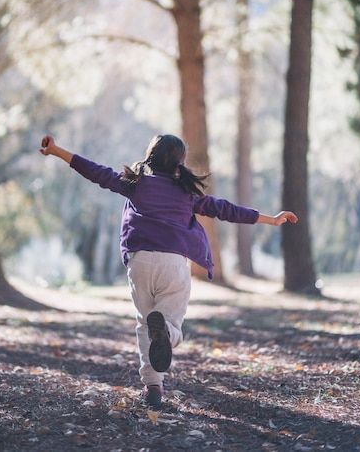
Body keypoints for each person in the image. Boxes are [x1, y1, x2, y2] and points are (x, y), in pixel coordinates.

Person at [39, 133, 298, 409]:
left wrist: (56, 150)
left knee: (144, 323)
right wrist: (270, 219)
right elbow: (226, 210)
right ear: (179, 163)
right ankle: (168, 332)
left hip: (140, 262)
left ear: (150, 157)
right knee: (169, 323)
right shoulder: (188, 193)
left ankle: (153, 386)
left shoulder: (135, 184)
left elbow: (96, 172)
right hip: (173, 264)